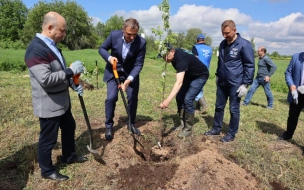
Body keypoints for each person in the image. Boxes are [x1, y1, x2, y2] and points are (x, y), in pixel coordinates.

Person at [24, 12, 87, 181]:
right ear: (50, 28)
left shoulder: (52, 46)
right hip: (49, 104)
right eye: (62, 30)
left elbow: (58, 73)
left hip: (62, 102)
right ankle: (47, 170)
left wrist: (72, 83)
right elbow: (46, 79)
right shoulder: (35, 49)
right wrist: (70, 71)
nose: (64, 34)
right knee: (48, 139)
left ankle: (69, 155)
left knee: (69, 127)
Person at [204, 20, 255, 142]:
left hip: (235, 83)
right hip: (222, 81)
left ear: (234, 30)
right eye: (223, 33)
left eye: (227, 33)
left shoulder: (244, 45)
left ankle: (231, 133)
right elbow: (220, 61)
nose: (225, 35)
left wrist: (245, 84)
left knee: (234, 109)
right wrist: (217, 75)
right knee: (219, 106)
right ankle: (216, 128)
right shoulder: (223, 44)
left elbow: (249, 65)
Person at [99, 18, 146, 140]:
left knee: (133, 98)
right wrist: (109, 58)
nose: (132, 37)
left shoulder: (141, 42)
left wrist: (129, 79)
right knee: (111, 98)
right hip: (113, 71)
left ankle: (131, 123)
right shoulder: (114, 36)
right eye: (129, 34)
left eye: (135, 34)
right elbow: (102, 49)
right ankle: (109, 125)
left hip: (130, 73)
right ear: (123, 29)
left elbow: (138, 64)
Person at [159, 43, 209, 138]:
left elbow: (179, 83)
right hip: (189, 75)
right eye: (162, 56)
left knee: (188, 99)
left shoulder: (180, 58)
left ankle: (188, 129)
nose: (165, 59)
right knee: (180, 97)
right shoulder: (173, 57)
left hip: (200, 76)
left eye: (166, 55)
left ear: (172, 51)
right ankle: (182, 123)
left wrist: (167, 100)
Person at [278, 52, 304, 141]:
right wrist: (291, 86)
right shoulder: (296, 57)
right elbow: (288, 73)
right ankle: (288, 134)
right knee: (292, 115)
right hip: (296, 93)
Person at [192, 33, 213, 113]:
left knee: (195, 87)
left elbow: (194, 59)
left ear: (197, 40)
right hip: (206, 71)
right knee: (199, 87)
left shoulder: (195, 47)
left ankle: (204, 105)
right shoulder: (210, 49)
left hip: (197, 70)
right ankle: (197, 108)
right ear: (204, 40)